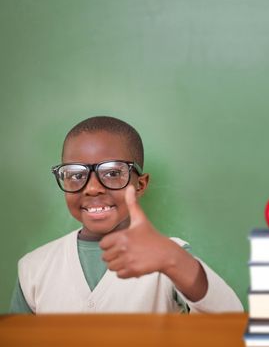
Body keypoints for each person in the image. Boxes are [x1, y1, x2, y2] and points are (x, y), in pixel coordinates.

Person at [10, 116, 243, 314]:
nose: (92, 188)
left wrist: (174, 259)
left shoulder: (169, 258)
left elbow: (230, 320)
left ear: (140, 185)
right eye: (76, 174)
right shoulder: (34, 267)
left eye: (112, 172)